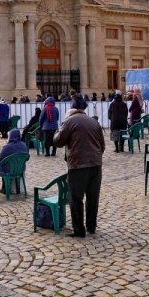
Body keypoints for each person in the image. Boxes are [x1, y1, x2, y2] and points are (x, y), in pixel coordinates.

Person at [53, 95, 105, 237]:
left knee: (76, 198)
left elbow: (58, 142)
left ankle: (79, 230)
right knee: (93, 197)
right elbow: (102, 145)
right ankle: (91, 226)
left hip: (77, 165)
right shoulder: (94, 122)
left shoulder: (69, 122)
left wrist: (57, 131)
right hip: (95, 165)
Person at [0, 130, 29, 196]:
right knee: (5, 164)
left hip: (9, 170)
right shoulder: (24, 145)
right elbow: (27, 157)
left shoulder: (7, 147)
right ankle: (4, 188)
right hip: (20, 170)